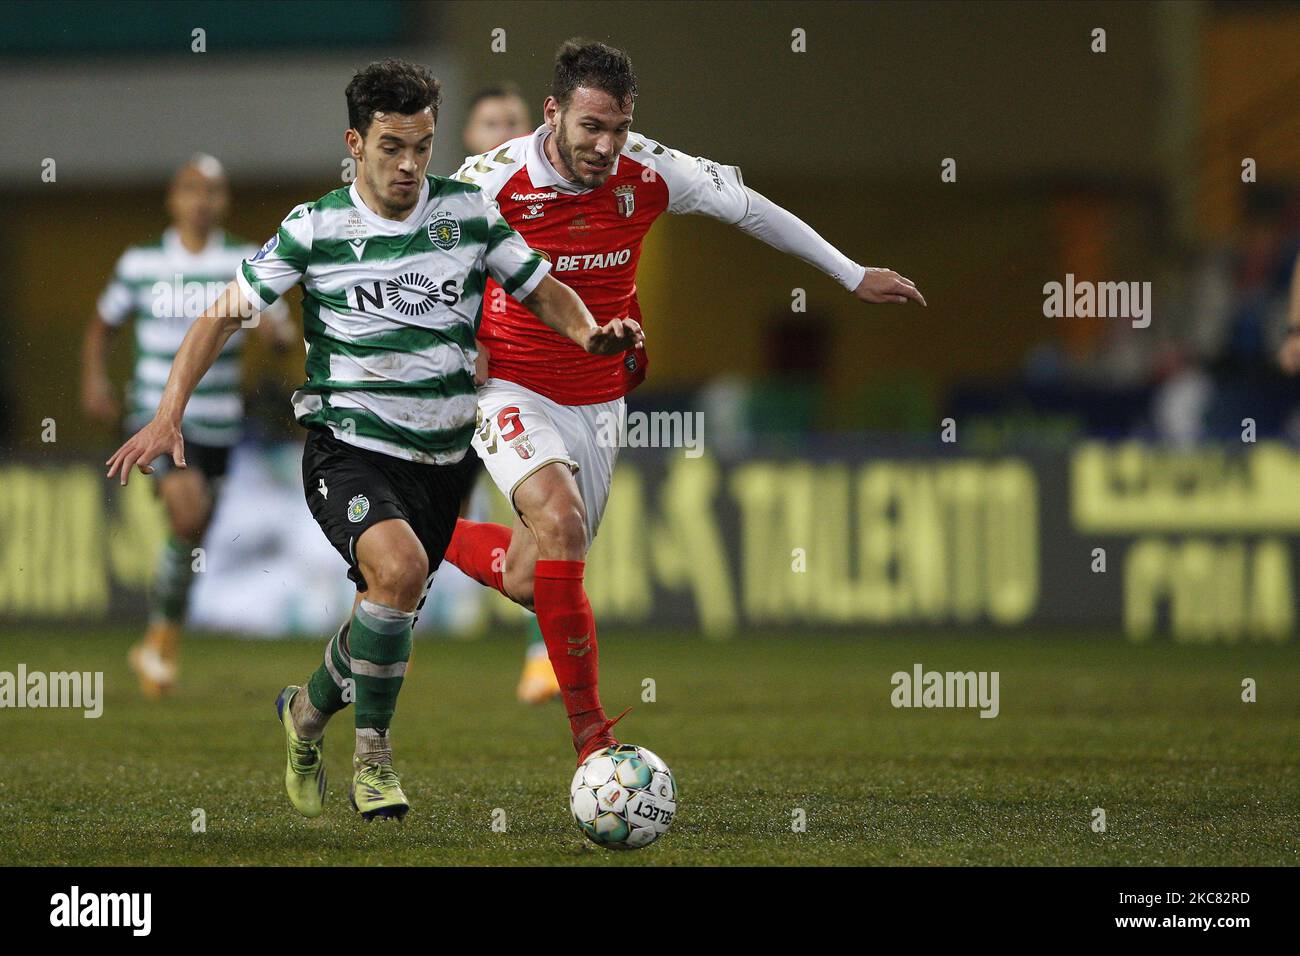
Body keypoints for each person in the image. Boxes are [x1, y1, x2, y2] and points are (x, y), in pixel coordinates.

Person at [106, 58, 640, 821]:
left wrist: (589, 336)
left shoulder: (467, 215)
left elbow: (542, 287)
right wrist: (168, 413)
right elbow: (223, 313)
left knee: (378, 616)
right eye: (392, 146)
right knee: (398, 570)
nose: (409, 164)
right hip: (346, 448)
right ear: (355, 143)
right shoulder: (315, 225)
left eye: (421, 146)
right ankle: (375, 761)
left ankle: (305, 716)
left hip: (440, 458)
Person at [444, 39, 926, 765]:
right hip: (510, 384)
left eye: (619, 127)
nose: (607, 146)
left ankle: (427, 532)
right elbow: (424, 256)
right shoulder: (491, 178)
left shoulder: (650, 167)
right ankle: (592, 741)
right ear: (553, 113)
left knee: (526, 576)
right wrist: (455, 341)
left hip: (599, 399)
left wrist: (850, 272)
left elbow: (750, 208)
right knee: (565, 526)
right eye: (591, 128)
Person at [82, 154, 292, 699]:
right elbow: (102, 326)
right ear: (173, 198)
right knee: (190, 510)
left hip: (221, 421)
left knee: (192, 532)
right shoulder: (140, 263)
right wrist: (95, 382)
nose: (203, 200)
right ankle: (162, 635)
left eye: (214, 191)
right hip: (157, 416)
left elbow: (276, 324)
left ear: (224, 201)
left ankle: (160, 636)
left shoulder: (242, 258)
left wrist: (278, 338)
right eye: (192, 189)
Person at [455, 83, 562, 705]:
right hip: (448, 387)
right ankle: (386, 637)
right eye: (489, 121)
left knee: (536, 513)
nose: (502, 131)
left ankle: (541, 653)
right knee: (417, 511)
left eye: (514, 122)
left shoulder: (546, 204)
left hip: (515, 385)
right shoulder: (450, 209)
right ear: (469, 138)